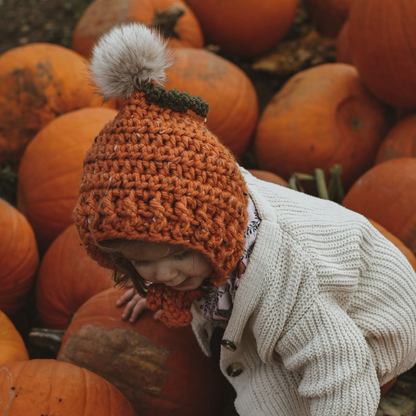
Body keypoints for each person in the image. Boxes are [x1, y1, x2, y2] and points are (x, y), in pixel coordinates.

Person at [73, 23, 416, 416]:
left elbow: (344, 368)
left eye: (177, 255)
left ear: (214, 226)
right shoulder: (212, 202)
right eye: (140, 261)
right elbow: (163, 250)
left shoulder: (285, 282)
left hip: (371, 323)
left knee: (284, 397)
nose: (164, 275)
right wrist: (152, 275)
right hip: (324, 322)